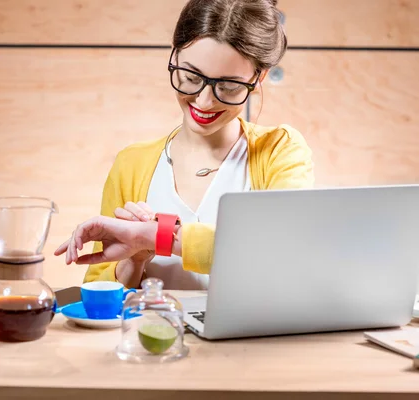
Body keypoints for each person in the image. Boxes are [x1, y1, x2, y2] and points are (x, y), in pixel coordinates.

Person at [55, 0, 314, 289]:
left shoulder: (279, 151)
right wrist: (135, 259)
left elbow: (280, 251)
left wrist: (154, 236)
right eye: (191, 77)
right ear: (174, 54)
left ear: (259, 77)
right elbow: (100, 290)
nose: (204, 101)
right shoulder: (131, 164)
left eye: (228, 86)